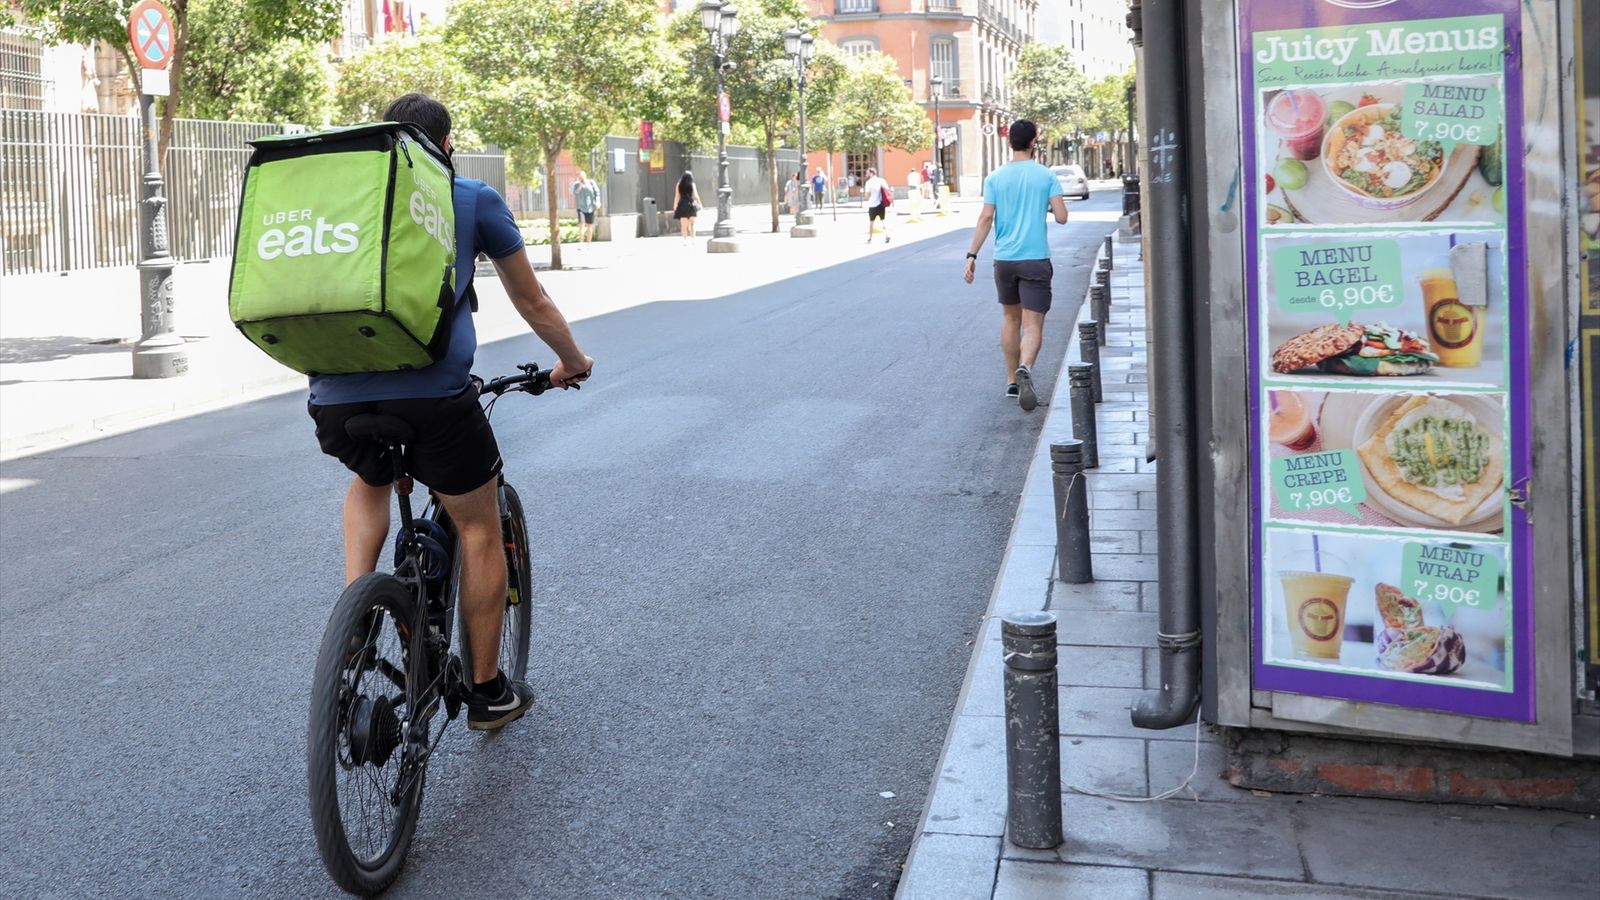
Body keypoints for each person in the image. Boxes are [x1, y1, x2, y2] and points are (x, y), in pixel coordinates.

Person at [308, 93, 593, 730]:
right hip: (433, 398)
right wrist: (571, 360)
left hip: (335, 395)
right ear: (445, 147)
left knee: (371, 478)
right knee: (479, 523)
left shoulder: (346, 198)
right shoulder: (469, 198)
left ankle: (357, 612)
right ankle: (488, 692)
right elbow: (534, 301)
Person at [962, 119, 1068, 412]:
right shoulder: (1046, 176)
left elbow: (985, 219)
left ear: (1010, 142)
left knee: (1011, 319)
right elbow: (1061, 217)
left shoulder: (994, 178)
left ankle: (1011, 381)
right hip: (1035, 259)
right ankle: (1025, 367)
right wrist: (1043, 205)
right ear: (1034, 141)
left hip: (1004, 260)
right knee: (1033, 324)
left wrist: (972, 255)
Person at [862, 167, 891, 244]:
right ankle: (887, 235)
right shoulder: (881, 180)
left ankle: (870, 238)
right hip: (881, 204)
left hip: (872, 205)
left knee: (871, 222)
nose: (867, 174)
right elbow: (887, 190)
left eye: (868, 173)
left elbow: (867, 195)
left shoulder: (868, 183)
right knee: (883, 220)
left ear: (871, 173)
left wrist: (868, 194)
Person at [673, 170, 703, 244]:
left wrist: (675, 205)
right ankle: (693, 239)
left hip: (682, 204)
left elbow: (677, 196)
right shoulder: (692, 184)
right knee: (692, 224)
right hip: (690, 204)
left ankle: (684, 240)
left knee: (683, 224)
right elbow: (696, 195)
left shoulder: (678, 184)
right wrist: (700, 204)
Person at [571, 169, 600, 243]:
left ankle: (588, 244)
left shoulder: (591, 183)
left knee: (589, 226)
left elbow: (597, 192)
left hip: (590, 207)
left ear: (585, 176)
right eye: (579, 177)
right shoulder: (576, 185)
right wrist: (580, 187)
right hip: (581, 207)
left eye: (582, 177)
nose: (581, 178)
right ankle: (581, 243)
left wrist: (598, 201)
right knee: (582, 224)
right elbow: (574, 193)